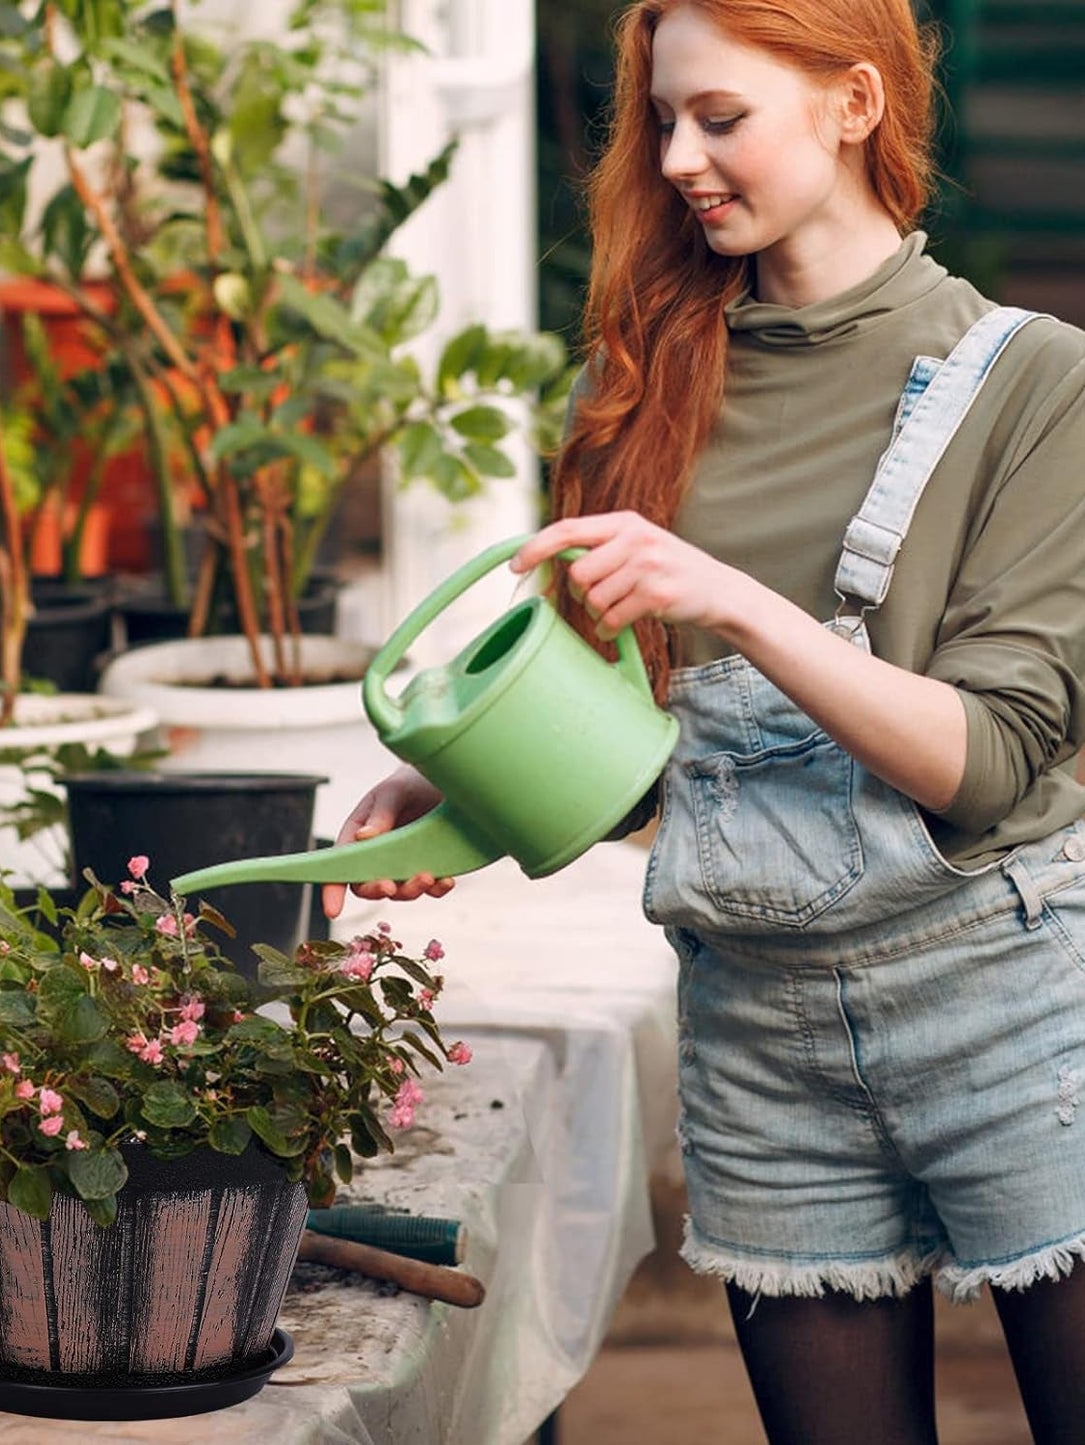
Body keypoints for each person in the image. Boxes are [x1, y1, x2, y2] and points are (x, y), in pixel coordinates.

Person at [322, 2, 1085, 1441]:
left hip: (1011, 1015)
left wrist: (729, 599)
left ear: (853, 104)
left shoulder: (1036, 384)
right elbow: (646, 768)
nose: (674, 157)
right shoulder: (643, 388)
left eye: (717, 119)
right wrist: (464, 813)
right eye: (660, 121)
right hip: (757, 1039)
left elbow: (982, 763)